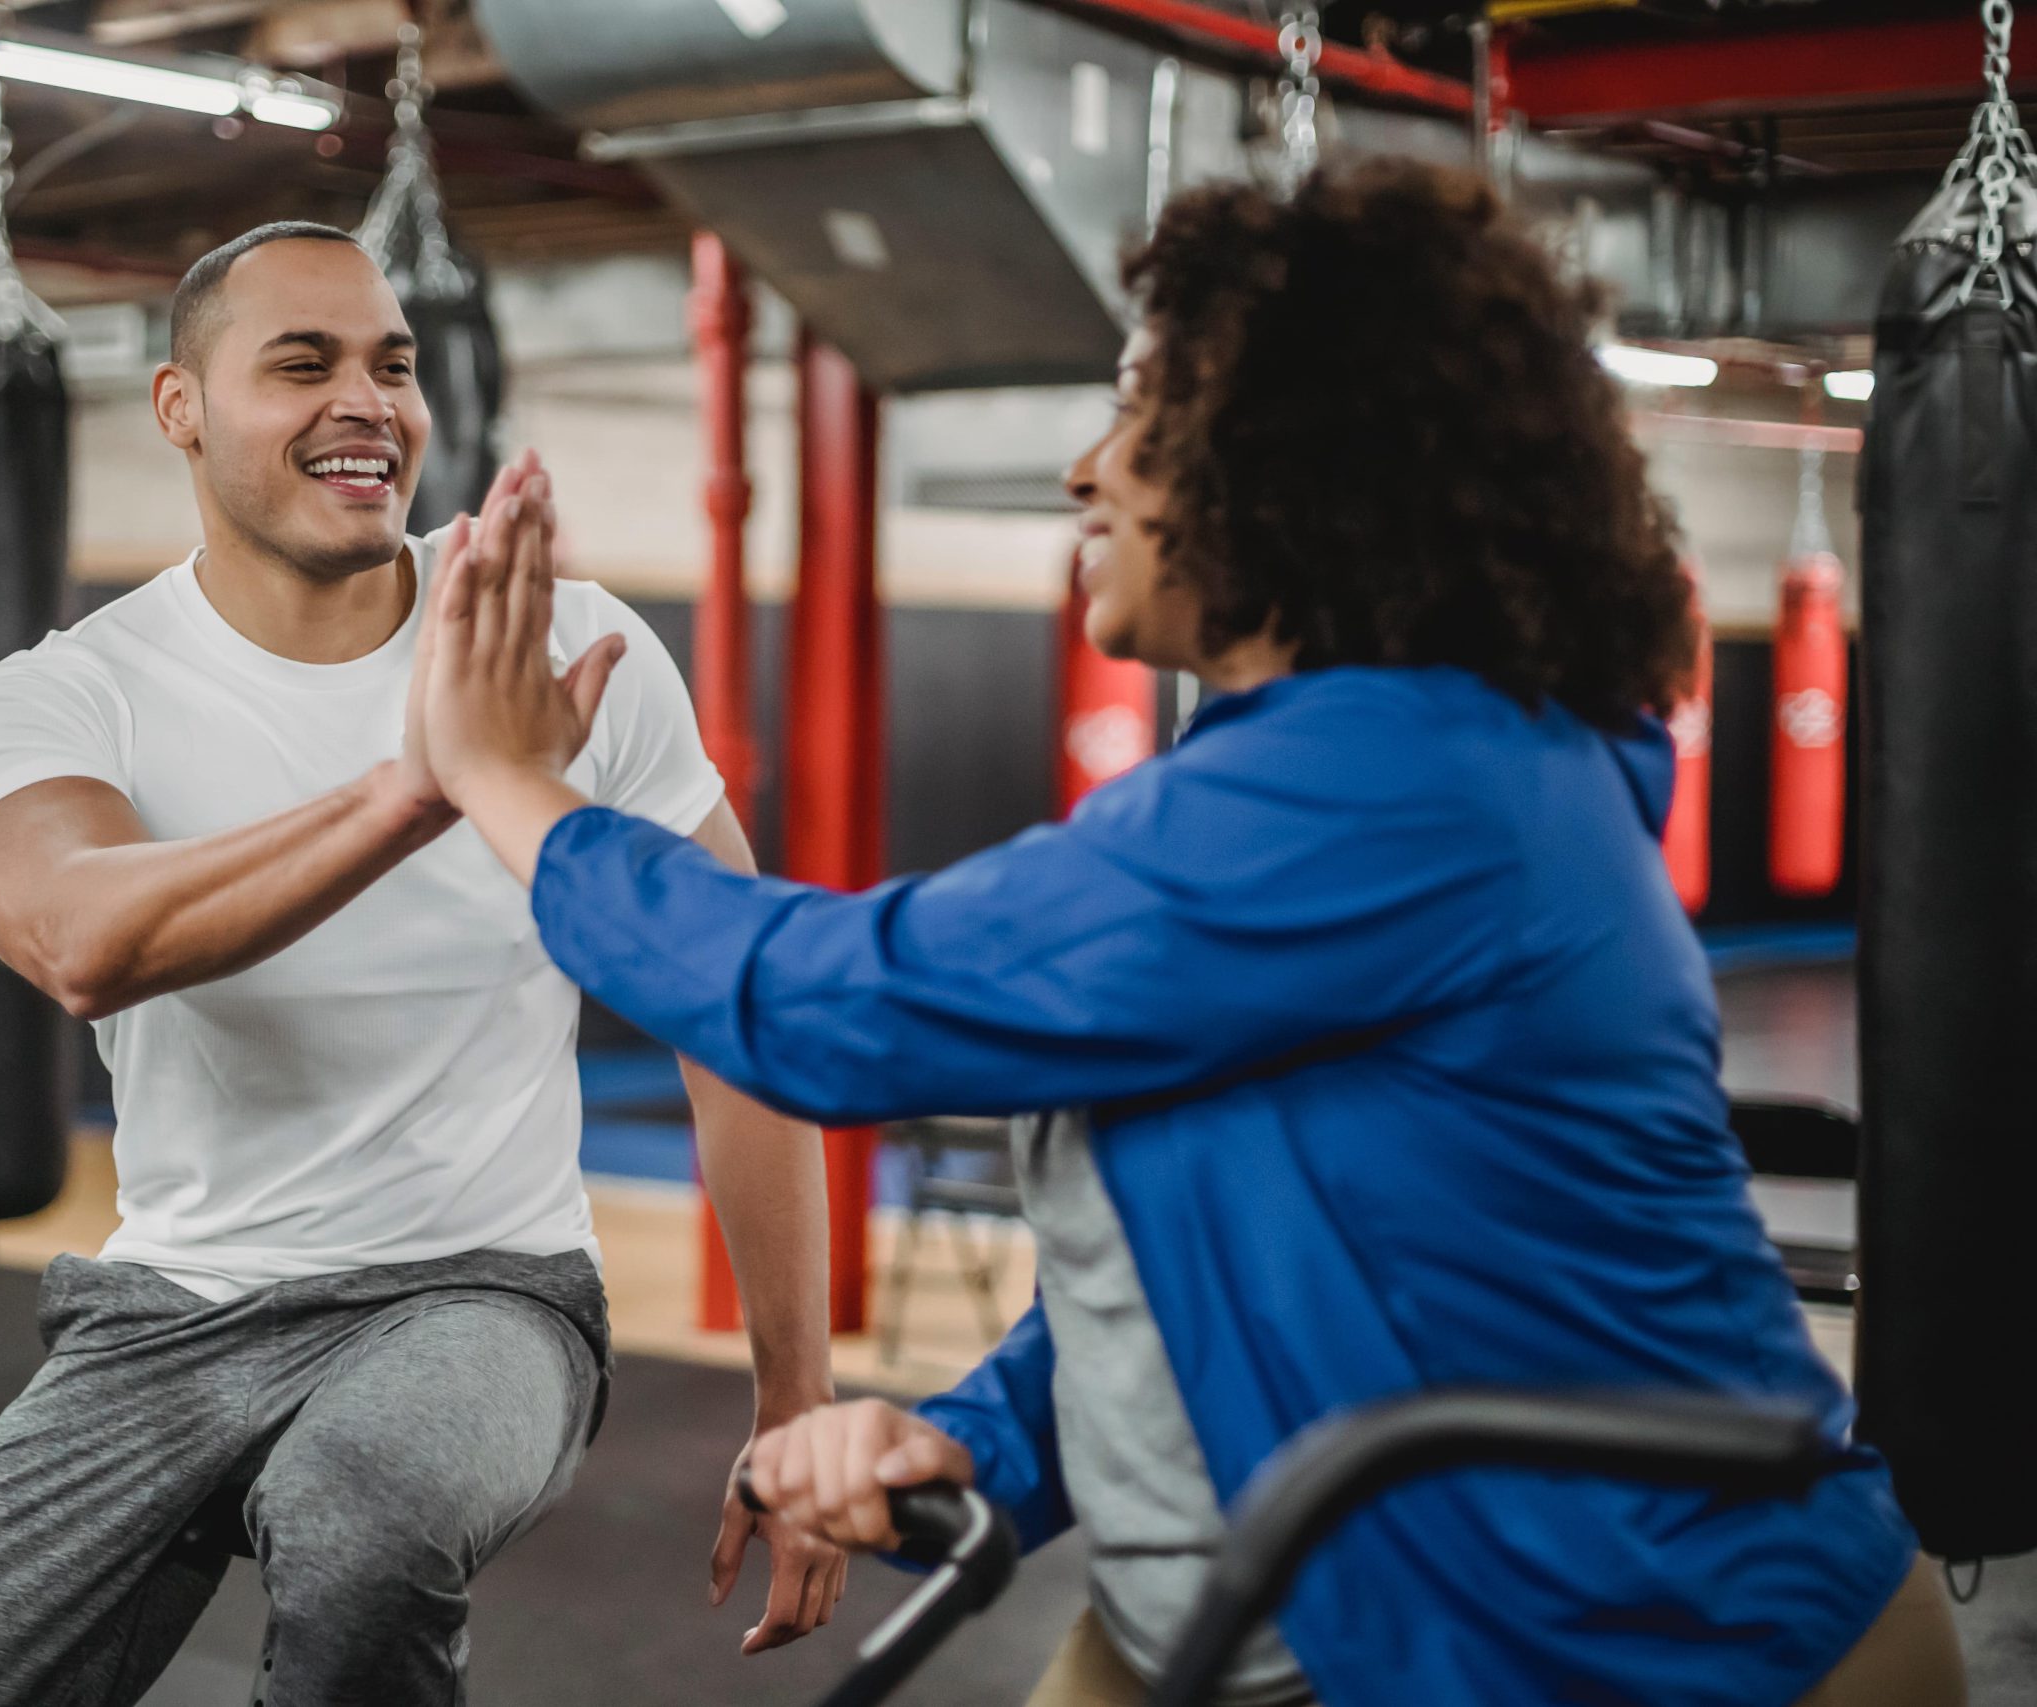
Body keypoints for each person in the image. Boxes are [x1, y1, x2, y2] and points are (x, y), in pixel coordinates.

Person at [411, 163, 1966, 1707]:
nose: (1089, 474)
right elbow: (1191, 1251)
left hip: (1639, 1649)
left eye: (1143, 422)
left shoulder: (1398, 784)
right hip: (1288, 1611)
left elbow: (830, 1006)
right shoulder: (1344, 781)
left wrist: (511, 785)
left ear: (1293, 469)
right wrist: (976, 1444)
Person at [0, 222, 844, 1707]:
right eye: (300, 364)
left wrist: (796, 1398)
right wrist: (426, 788)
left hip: (483, 1293)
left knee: (361, 1519)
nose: (366, 400)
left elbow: (737, 1014)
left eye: (393, 363)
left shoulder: (558, 643)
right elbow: (82, 937)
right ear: (180, 406)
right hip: (171, 1308)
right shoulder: (60, 697)